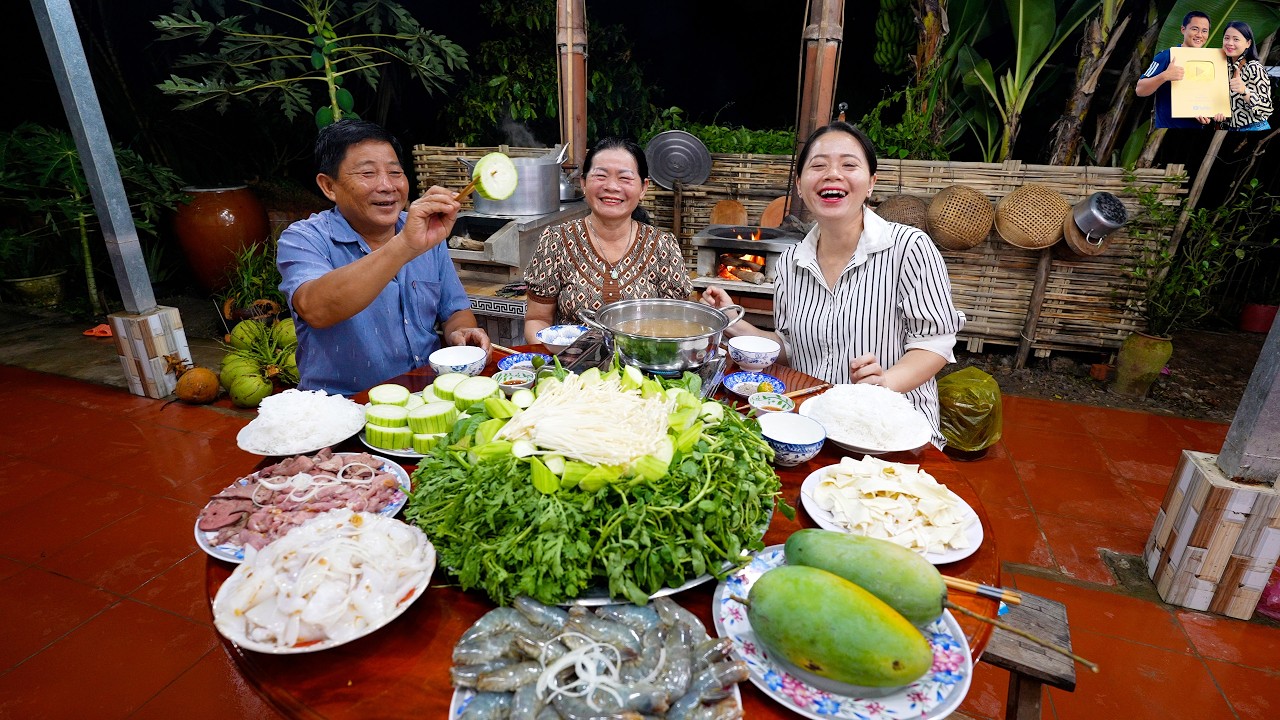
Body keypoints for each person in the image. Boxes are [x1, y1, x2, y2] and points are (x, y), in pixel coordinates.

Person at [699, 122, 964, 445]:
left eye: (849, 165)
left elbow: (934, 344)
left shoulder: (908, 247)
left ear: (871, 183)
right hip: (812, 423)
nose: (833, 174)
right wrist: (731, 320)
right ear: (799, 185)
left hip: (890, 431)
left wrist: (886, 381)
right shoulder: (790, 262)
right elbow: (791, 347)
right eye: (818, 165)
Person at [277, 119, 489, 396]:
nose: (387, 186)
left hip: (426, 399)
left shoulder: (423, 231)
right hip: (344, 409)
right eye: (367, 174)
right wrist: (405, 246)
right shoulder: (304, 238)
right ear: (329, 186)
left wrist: (460, 333)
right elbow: (316, 309)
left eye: (395, 172)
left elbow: (455, 311)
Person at [522, 137, 693, 341]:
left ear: (643, 188)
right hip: (573, 368)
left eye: (625, 178)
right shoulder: (555, 241)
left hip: (643, 369)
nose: (611, 186)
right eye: (600, 176)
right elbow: (537, 321)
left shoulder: (663, 246)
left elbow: (679, 326)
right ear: (584, 183)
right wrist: (556, 362)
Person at [1135, 11, 1212, 129]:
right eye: (1195, 29)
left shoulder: (1211, 62)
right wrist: (1165, 76)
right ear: (1183, 30)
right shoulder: (1167, 56)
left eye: (1204, 31)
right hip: (1167, 130)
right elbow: (1140, 90)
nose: (1199, 35)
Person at [1219, 22, 1273, 131]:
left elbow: (1266, 108)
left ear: (1248, 43)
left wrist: (1245, 91)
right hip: (1231, 128)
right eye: (1226, 38)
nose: (1229, 43)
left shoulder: (1254, 67)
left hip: (1254, 128)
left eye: (1236, 39)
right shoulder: (1224, 67)